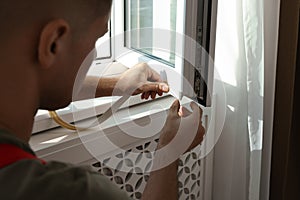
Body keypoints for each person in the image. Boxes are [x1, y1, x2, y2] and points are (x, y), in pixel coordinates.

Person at [0, 0, 205, 199]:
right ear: (54, 43)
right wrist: (170, 149)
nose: (94, 52)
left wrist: (120, 84)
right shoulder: (72, 192)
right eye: (95, 40)